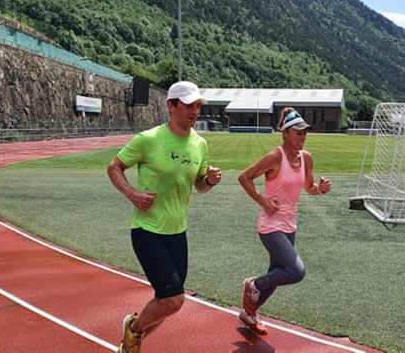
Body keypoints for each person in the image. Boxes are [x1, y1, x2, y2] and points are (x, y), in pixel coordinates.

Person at [107, 80, 222, 353]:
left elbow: (199, 186)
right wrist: (132, 194)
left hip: (177, 232)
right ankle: (133, 330)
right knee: (173, 300)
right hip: (147, 231)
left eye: (198, 106)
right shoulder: (148, 140)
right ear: (171, 106)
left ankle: (131, 343)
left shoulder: (200, 144)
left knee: (167, 302)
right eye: (188, 105)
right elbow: (114, 167)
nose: (195, 111)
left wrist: (209, 180)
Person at [237, 107, 331, 335]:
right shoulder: (275, 156)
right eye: (298, 132)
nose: (302, 136)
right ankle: (254, 284)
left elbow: (309, 187)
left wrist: (321, 189)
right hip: (270, 226)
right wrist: (263, 201)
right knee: (296, 271)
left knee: (277, 274)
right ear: (285, 133)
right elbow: (244, 177)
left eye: (304, 132)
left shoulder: (306, 157)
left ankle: (248, 313)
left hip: (290, 226)